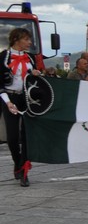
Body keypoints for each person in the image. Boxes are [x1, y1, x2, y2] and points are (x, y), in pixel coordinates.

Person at [1, 28, 42, 187]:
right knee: (12, 137)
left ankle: (24, 170)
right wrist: (8, 102)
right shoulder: (4, 57)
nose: (30, 42)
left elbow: (33, 78)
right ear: (17, 39)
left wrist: (36, 74)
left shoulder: (30, 58)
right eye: (27, 39)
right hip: (9, 97)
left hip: (25, 98)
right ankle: (17, 162)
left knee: (26, 135)